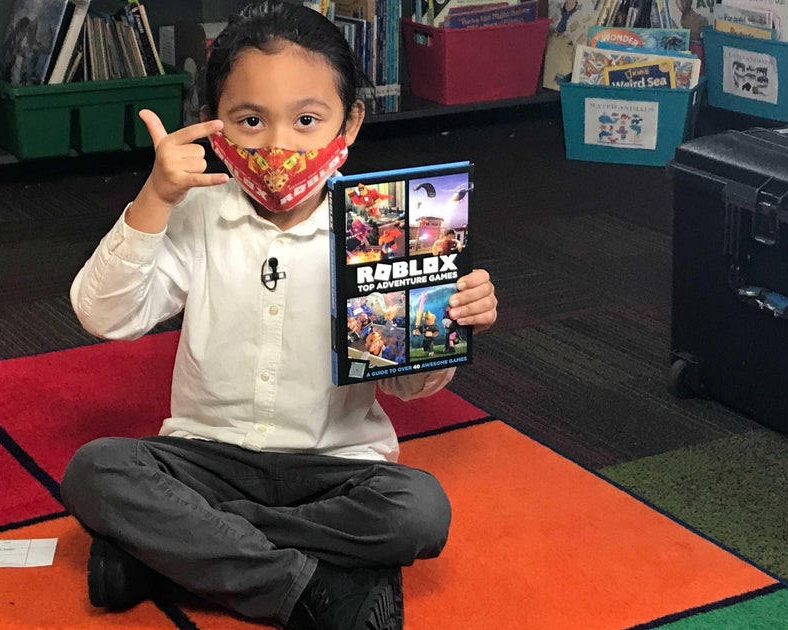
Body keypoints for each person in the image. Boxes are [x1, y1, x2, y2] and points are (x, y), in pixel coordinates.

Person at [60, 2, 499, 629]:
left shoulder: (386, 228)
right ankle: (307, 588)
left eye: (307, 120)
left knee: (419, 511)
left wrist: (448, 324)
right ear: (216, 127)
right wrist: (153, 198)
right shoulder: (195, 214)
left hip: (337, 468)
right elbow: (104, 317)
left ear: (348, 126)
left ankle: (170, 555)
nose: (278, 145)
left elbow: (406, 388)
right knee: (95, 471)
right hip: (205, 460)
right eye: (249, 120)